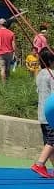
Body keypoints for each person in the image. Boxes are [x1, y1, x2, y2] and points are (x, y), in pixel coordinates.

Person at [32, 49, 54, 178]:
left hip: (42, 113)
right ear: (50, 61)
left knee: (49, 142)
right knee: (52, 141)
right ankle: (39, 164)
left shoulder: (39, 74)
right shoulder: (52, 75)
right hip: (51, 114)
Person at [0, 18, 16, 85]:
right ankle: (7, 83)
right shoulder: (11, 33)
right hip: (9, 53)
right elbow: (13, 45)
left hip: (0, 54)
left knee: (2, 69)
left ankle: (3, 85)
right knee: (7, 69)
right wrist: (14, 53)